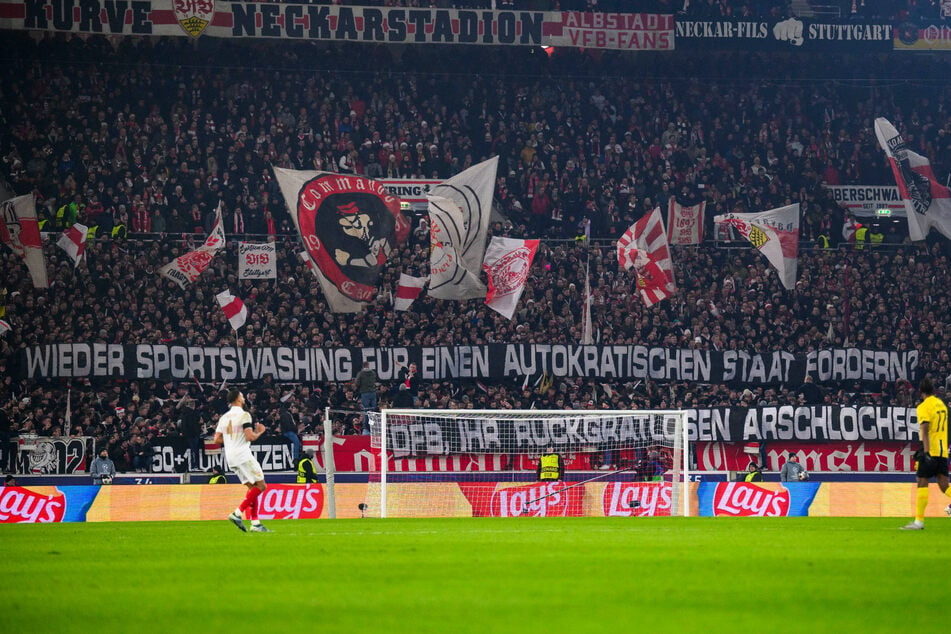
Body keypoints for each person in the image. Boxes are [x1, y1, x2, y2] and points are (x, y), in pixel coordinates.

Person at [214, 389, 272, 533]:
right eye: (242, 395)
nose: (244, 398)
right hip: (243, 455)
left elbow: (216, 439)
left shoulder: (224, 417)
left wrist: (231, 440)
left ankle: (255, 523)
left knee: (253, 488)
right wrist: (260, 431)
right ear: (238, 399)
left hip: (231, 456)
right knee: (262, 486)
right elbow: (250, 437)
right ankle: (237, 513)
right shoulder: (244, 415)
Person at [902, 378, 951, 530]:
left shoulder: (924, 406)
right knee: (943, 485)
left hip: (932, 450)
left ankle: (918, 522)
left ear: (921, 392)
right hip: (943, 451)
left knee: (922, 481)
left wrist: (926, 452)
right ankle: (918, 522)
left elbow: (925, 428)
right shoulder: (941, 405)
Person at [354, 362, 378, 435]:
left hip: (365, 393)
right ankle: (374, 425)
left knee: (366, 410)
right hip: (373, 393)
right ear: (368, 365)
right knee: (373, 410)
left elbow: (357, 383)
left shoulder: (361, 374)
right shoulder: (373, 373)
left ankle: (366, 427)